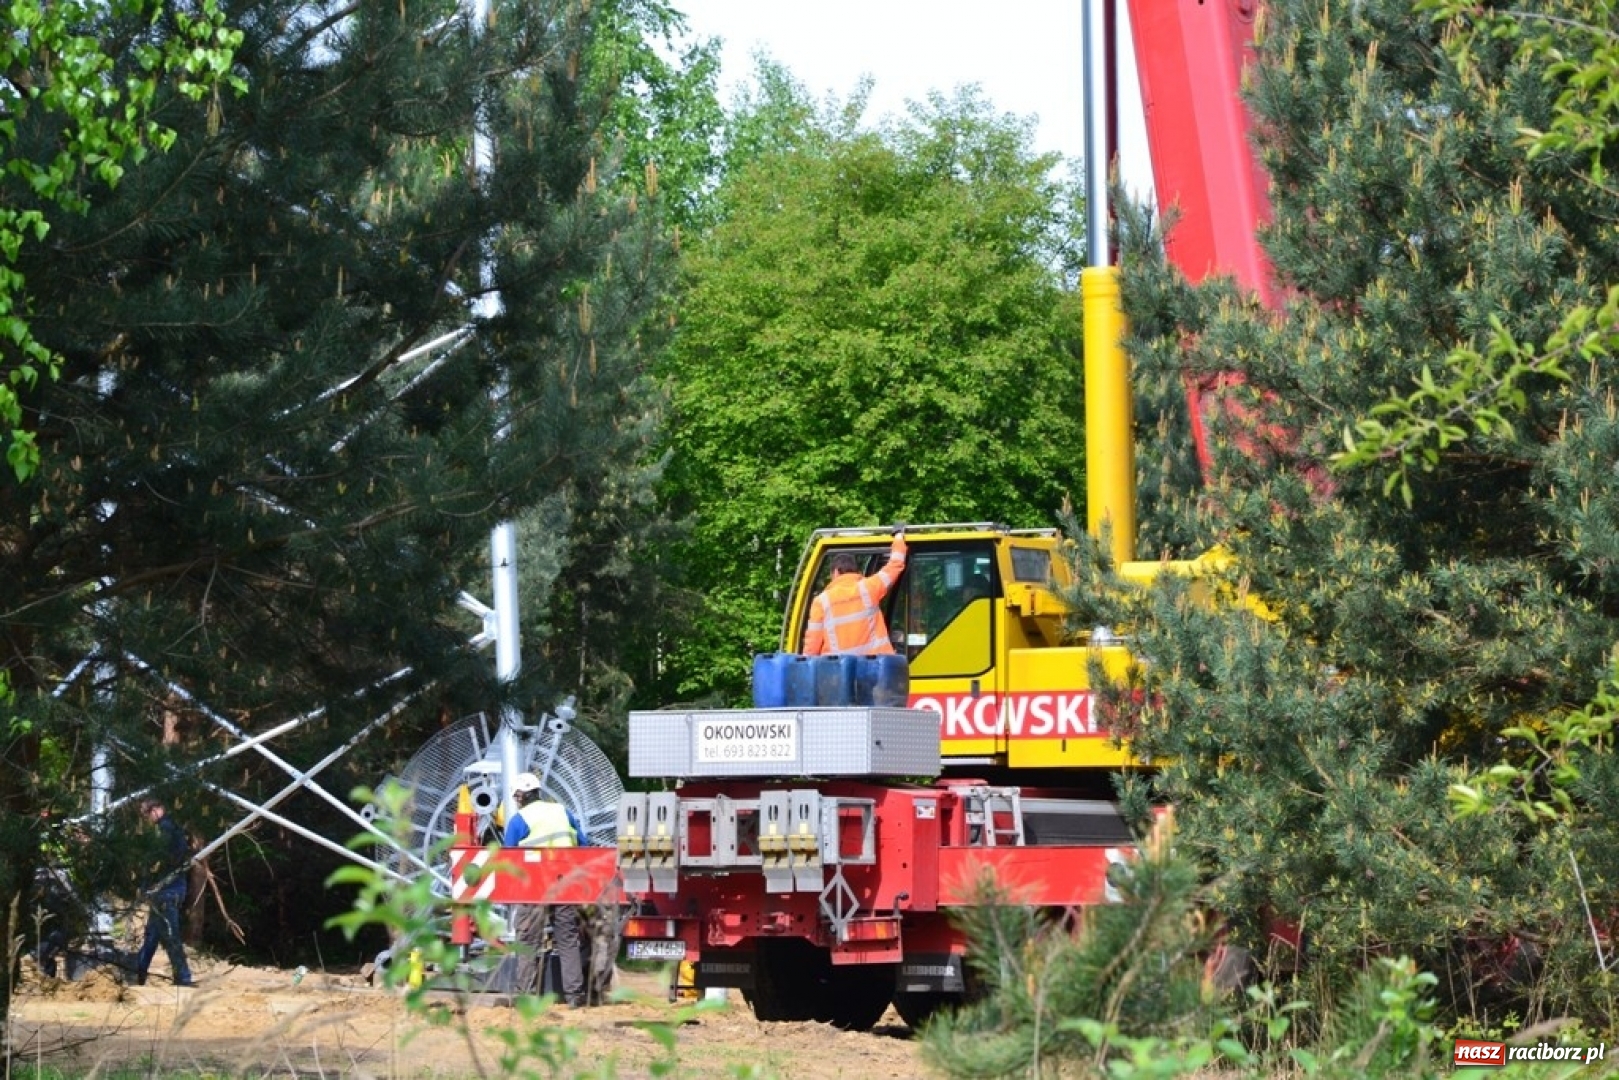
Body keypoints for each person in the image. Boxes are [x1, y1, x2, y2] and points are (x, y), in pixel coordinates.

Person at [502, 771, 590, 1007]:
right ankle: (574, 996)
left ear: (520, 796)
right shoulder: (562, 811)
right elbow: (583, 845)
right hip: (565, 883)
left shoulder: (520, 819)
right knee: (567, 939)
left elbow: (507, 854)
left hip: (534, 886)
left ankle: (526, 995)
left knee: (528, 940)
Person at [802, 532, 908, 655]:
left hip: (841, 670)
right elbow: (895, 564)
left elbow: (812, 646)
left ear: (835, 572)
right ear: (855, 571)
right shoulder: (869, 588)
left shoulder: (821, 601)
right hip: (875, 667)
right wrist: (899, 538)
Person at [134, 798, 194, 988]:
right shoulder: (172, 829)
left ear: (156, 810)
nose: (146, 819)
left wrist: (145, 884)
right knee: (152, 935)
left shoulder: (165, 830)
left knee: (170, 935)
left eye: (146, 814)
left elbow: (157, 861)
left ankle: (183, 977)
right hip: (167, 889)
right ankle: (138, 972)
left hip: (167, 890)